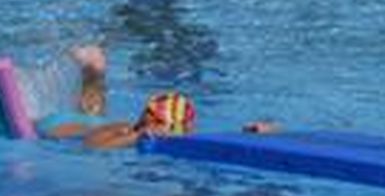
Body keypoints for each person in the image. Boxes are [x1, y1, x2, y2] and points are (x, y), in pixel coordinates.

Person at [36, 46, 277, 150]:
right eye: (165, 129)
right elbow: (91, 145)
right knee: (90, 116)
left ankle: (93, 70)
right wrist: (136, 137)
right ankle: (92, 72)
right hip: (56, 125)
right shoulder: (128, 131)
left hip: (93, 123)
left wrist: (251, 134)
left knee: (94, 113)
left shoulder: (185, 135)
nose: (170, 135)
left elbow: (216, 142)